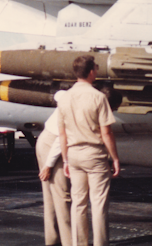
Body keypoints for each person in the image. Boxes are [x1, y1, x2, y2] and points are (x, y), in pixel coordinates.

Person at [58, 55, 120, 246]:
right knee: (99, 204)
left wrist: (66, 160)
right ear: (91, 71)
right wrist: (115, 158)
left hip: (74, 154)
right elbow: (106, 132)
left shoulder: (64, 97)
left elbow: (62, 134)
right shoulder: (98, 97)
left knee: (78, 204)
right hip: (94, 154)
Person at [36, 92, 72, 246]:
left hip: (45, 140)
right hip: (52, 144)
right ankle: (70, 242)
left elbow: (58, 95)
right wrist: (49, 165)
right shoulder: (80, 103)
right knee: (62, 196)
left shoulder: (70, 95)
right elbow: (61, 139)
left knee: (51, 197)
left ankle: (52, 241)